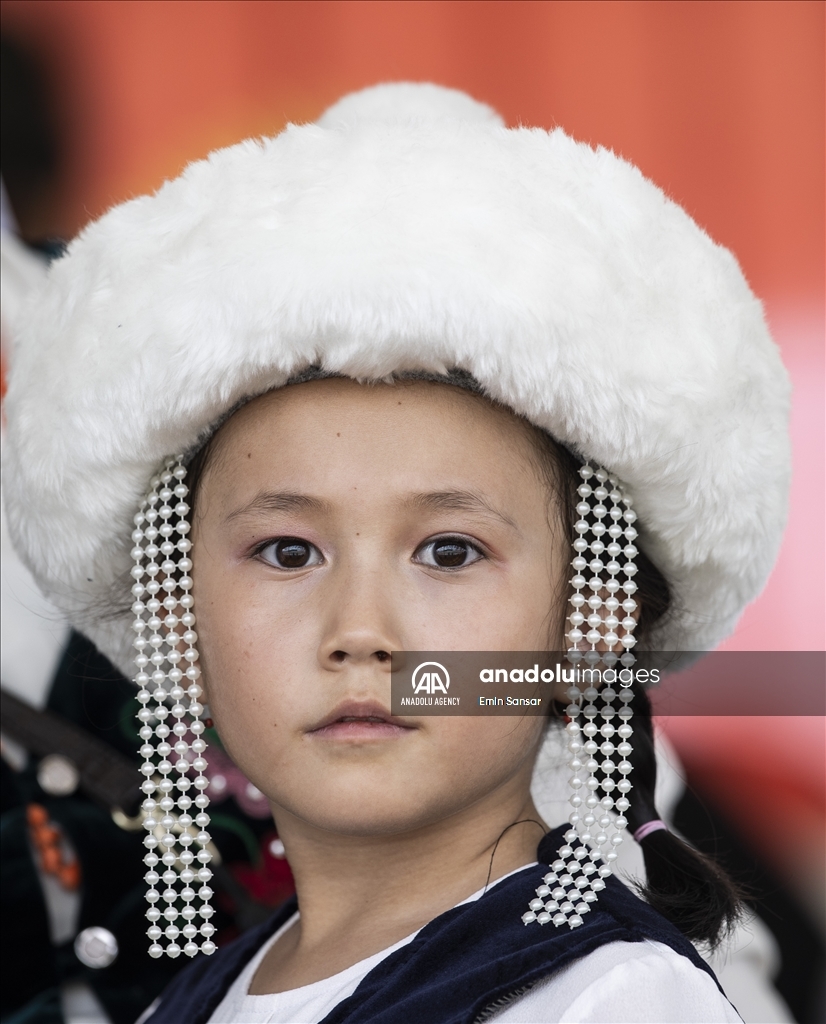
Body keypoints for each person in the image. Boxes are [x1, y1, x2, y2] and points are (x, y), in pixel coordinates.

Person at [3, 83, 790, 1023]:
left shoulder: (613, 1001)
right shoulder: (192, 1003)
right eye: (287, 552)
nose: (360, 631)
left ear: (589, 625)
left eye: (450, 551)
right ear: (179, 616)